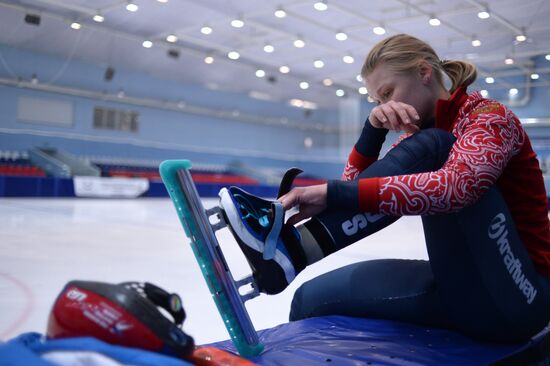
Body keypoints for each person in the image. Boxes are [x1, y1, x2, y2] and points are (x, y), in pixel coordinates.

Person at [220, 34, 550, 344]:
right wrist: (371, 132)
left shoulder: (490, 117)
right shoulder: (418, 140)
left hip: (521, 296)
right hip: (461, 287)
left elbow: (455, 188)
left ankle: (294, 250)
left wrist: (331, 193)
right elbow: (360, 191)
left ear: (423, 72)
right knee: (309, 298)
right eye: (377, 100)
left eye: (388, 93)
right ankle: (292, 254)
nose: (384, 106)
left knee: (435, 146)